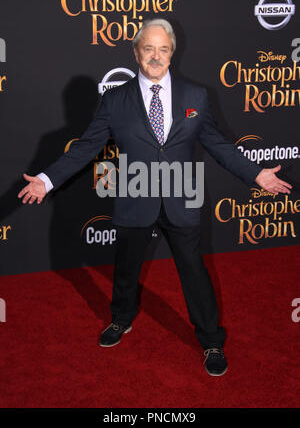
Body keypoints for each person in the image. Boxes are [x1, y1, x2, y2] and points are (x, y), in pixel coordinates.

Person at [18, 19, 292, 376]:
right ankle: (121, 318)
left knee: (194, 272)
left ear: (172, 52)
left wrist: (255, 173)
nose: (156, 56)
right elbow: (87, 147)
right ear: (136, 52)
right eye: (148, 48)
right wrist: (46, 179)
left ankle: (210, 339)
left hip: (181, 196)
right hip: (136, 194)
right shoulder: (115, 99)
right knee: (127, 269)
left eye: (163, 49)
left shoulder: (196, 95)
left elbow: (218, 144)